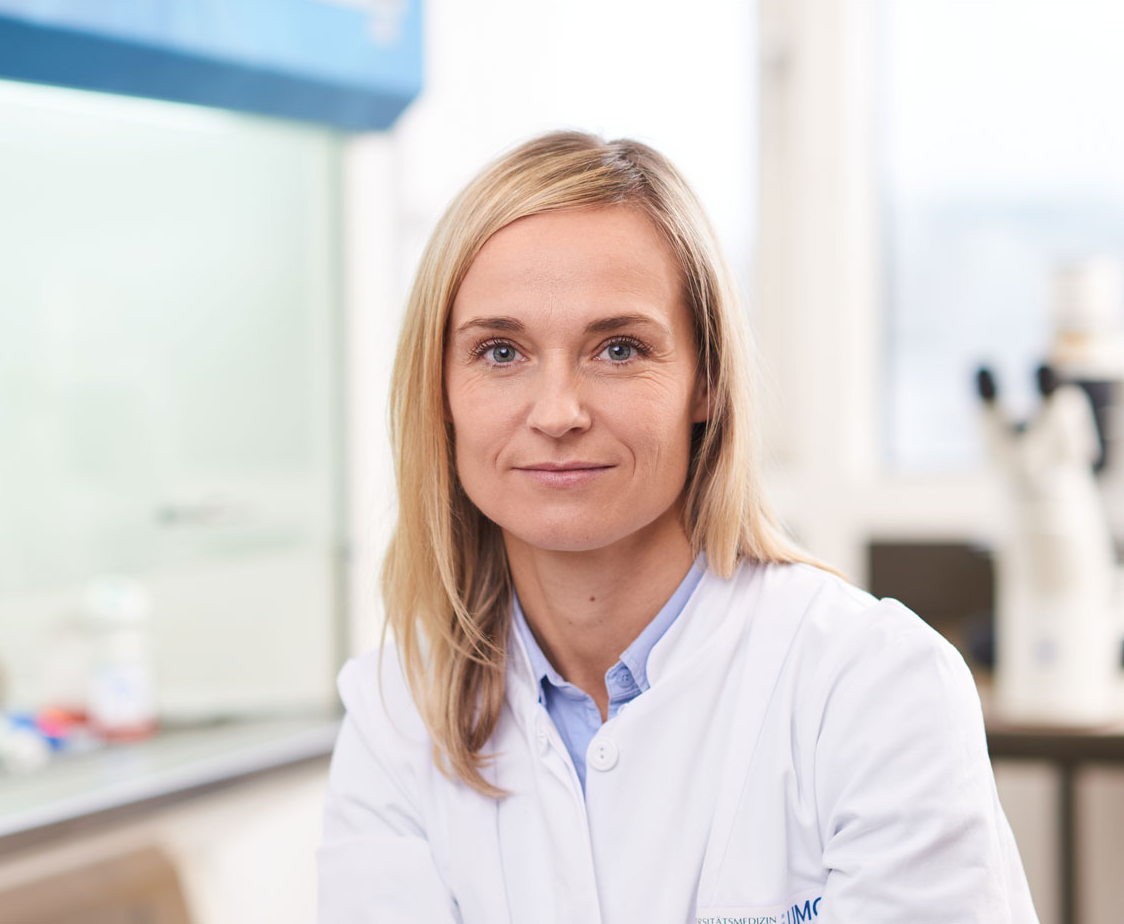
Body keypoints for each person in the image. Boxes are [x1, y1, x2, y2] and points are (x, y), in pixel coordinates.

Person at [316, 131, 1038, 923]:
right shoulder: (397, 715)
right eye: (499, 351)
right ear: (441, 391)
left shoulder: (874, 688)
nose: (557, 412)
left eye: (619, 348)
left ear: (707, 380)